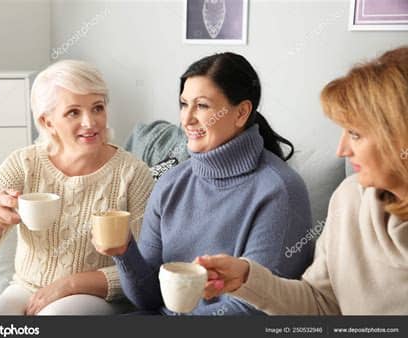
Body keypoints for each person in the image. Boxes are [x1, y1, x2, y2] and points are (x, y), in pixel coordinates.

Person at [93, 52, 313, 315]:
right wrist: (124, 251)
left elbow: (253, 309)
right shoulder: (171, 183)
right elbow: (150, 297)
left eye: (202, 106)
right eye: (184, 104)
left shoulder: (280, 190)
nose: (186, 120)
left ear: (241, 113)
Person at [196, 46, 408, 315]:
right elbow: (320, 303)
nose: (341, 150)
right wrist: (247, 280)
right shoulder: (350, 197)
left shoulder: (277, 185)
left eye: (355, 134)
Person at [0, 60, 154, 315]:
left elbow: (145, 266)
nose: (90, 122)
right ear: (48, 122)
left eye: (97, 108)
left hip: (96, 296)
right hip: (26, 288)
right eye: (74, 112)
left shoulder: (132, 173)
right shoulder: (23, 164)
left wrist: (70, 284)